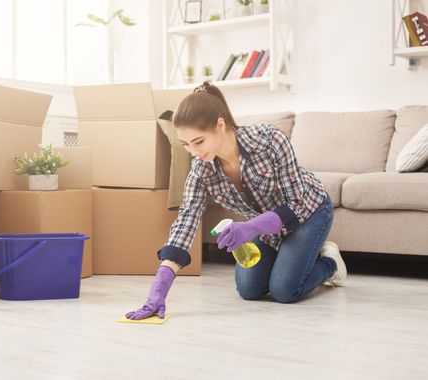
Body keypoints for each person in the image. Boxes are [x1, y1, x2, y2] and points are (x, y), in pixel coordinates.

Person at [125, 82, 347, 320]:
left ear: (220, 125)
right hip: (267, 227)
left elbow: (295, 204)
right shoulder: (201, 169)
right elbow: (186, 221)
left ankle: (329, 263)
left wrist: (250, 227)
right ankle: (293, 256)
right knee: (249, 290)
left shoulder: (269, 140)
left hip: (308, 213)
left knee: (284, 289)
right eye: (186, 144)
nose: (193, 152)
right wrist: (159, 287)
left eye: (198, 141)